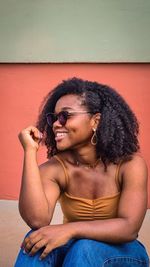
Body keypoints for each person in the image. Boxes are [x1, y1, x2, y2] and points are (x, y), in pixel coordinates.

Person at [14, 77, 149, 267]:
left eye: (65, 116)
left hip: (124, 253)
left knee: (84, 247)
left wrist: (69, 230)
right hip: (77, 253)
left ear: (95, 121)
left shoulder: (130, 165)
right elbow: (37, 220)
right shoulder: (56, 168)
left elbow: (129, 228)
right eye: (53, 118)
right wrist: (29, 152)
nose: (55, 124)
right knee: (37, 239)